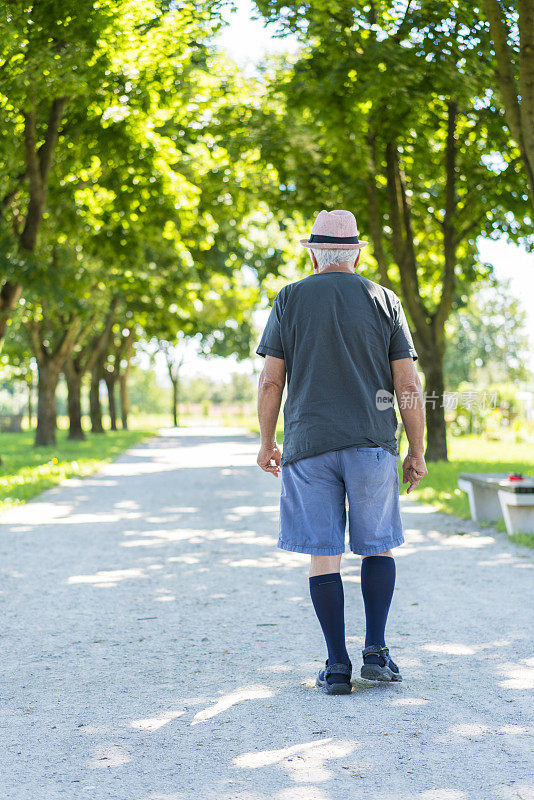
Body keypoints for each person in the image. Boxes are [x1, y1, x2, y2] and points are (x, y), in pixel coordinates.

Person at [255, 209, 427, 695]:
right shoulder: (384, 300)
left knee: (322, 555)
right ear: (356, 253)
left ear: (312, 253)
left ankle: (335, 666)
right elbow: (407, 383)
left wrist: (268, 442)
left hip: (309, 447)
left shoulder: (289, 298)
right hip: (372, 444)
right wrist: (416, 447)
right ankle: (376, 651)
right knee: (378, 545)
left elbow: (271, 381)